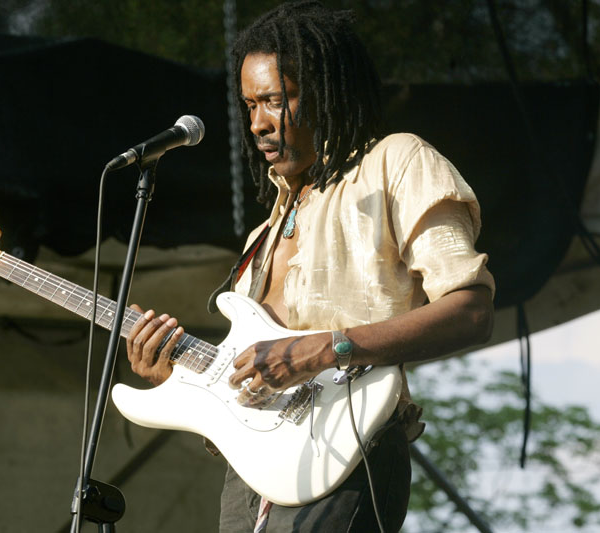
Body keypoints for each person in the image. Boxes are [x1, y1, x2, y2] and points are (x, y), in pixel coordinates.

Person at [125, 1, 495, 531]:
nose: (257, 123)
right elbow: (246, 390)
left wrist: (324, 349)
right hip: (252, 479)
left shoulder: (396, 162)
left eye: (274, 101)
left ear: (322, 91)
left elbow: (471, 312)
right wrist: (173, 375)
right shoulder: (263, 235)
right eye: (249, 105)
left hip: (349, 453)